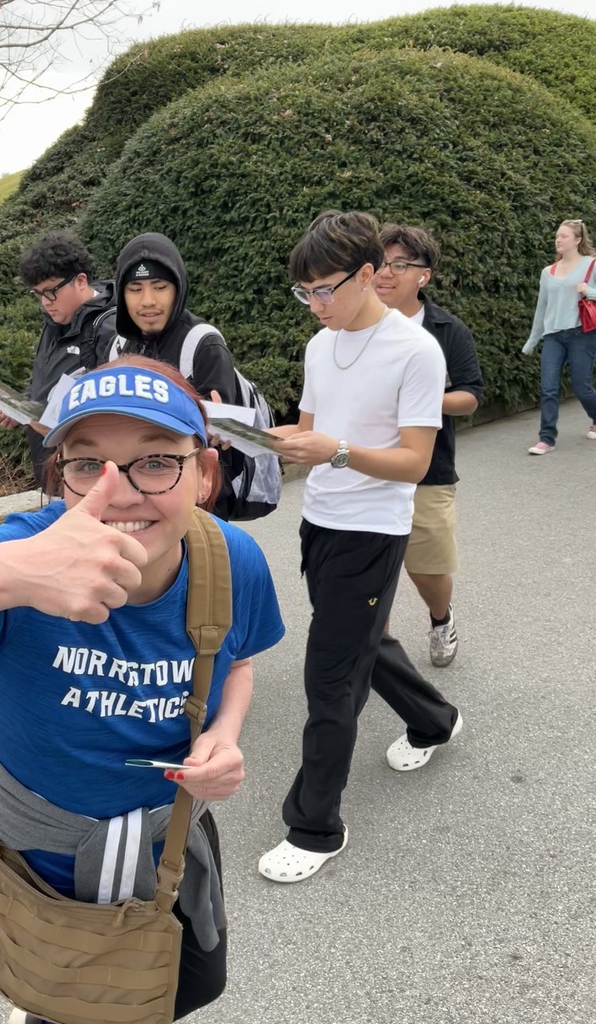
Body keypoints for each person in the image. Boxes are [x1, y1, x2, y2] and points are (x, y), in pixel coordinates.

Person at [0, 358, 285, 1024]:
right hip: (32, 871)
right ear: (60, 480)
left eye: (156, 461)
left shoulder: (231, 560)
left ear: (206, 474)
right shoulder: (17, 565)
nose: (120, 493)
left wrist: (224, 734)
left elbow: (236, 659)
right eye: (87, 464)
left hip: (165, 849)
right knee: (58, 1000)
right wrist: (12, 575)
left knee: (188, 989)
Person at [257, 210, 462, 885]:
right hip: (321, 521)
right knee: (359, 642)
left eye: (324, 290)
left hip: (375, 532)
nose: (315, 306)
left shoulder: (415, 351)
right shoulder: (322, 346)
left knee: (330, 677)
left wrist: (335, 451)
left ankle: (315, 827)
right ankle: (434, 719)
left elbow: (414, 461)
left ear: (369, 274)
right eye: (304, 293)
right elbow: (311, 433)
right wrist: (257, 437)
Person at [373, 223, 484, 667]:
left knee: (427, 567)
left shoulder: (446, 330)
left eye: (400, 264)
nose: (386, 272)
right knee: (369, 565)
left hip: (428, 469)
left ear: (424, 275)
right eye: (381, 262)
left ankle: (441, 619)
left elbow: (472, 395)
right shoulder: (353, 326)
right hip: (367, 465)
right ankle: (375, 644)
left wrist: (424, 399)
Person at [101, 232, 241, 520]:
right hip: (136, 499)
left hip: (199, 510)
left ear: (178, 288)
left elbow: (224, 446)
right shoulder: (118, 347)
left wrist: (220, 429)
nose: (148, 301)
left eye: (160, 287)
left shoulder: (204, 344)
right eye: (135, 289)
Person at [0, 232, 117, 485]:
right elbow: (45, 375)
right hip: (47, 461)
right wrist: (21, 406)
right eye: (38, 293)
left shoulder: (110, 328)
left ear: (80, 281)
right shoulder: (55, 319)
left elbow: (111, 409)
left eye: (51, 292)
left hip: (86, 468)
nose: (44, 302)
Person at [522, 219, 596, 454]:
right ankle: (547, 439)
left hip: (581, 334)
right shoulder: (547, 272)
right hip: (553, 336)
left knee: (581, 386)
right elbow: (541, 308)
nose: (558, 239)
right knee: (549, 388)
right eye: (557, 235)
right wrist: (532, 340)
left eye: (564, 236)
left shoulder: (591, 265)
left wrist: (589, 291)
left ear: (577, 239)